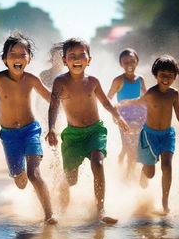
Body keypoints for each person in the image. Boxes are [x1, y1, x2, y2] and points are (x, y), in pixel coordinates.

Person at [0, 31, 57, 224]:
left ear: (29, 58)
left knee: (33, 174)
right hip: (9, 136)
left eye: (22, 54)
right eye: (13, 54)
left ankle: (50, 214)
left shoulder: (32, 79)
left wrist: (68, 93)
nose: (18, 58)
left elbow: (51, 98)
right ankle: (23, 185)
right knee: (20, 182)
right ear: (4, 59)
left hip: (31, 131)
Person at [46, 38, 128, 223]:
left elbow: (106, 103)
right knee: (71, 179)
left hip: (95, 131)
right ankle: (60, 202)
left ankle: (100, 209)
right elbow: (53, 106)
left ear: (89, 59)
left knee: (98, 163)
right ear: (64, 60)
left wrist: (118, 117)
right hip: (73, 135)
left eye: (81, 55)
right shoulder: (60, 81)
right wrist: (51, 128)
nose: (76, 58)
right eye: (71, 56)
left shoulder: (93, 81)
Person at [118, 55, 179, 214]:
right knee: (150, 174)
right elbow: (139, 100)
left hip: (167, 135)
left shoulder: (174, 94)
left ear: (175, 77)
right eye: (162, 75)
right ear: (156, 75)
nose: (166, 78)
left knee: (167, 165)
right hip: (149, 136)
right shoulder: (152, 93)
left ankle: (165, 202)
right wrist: (125, 103)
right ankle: (144, 172)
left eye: (170, 75)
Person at [107, 48, 147, 178]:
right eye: (125, 62)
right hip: (124, 118)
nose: (129, 64)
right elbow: (108, 98)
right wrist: (114, 113)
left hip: (140, 116)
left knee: (132, 146)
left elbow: (147, 97)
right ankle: (128, 176)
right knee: (130, 147)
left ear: (137, 61)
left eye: (132, 61)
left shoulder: (140, 79)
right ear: (121, 64)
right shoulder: (118, 80)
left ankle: (125, 165)